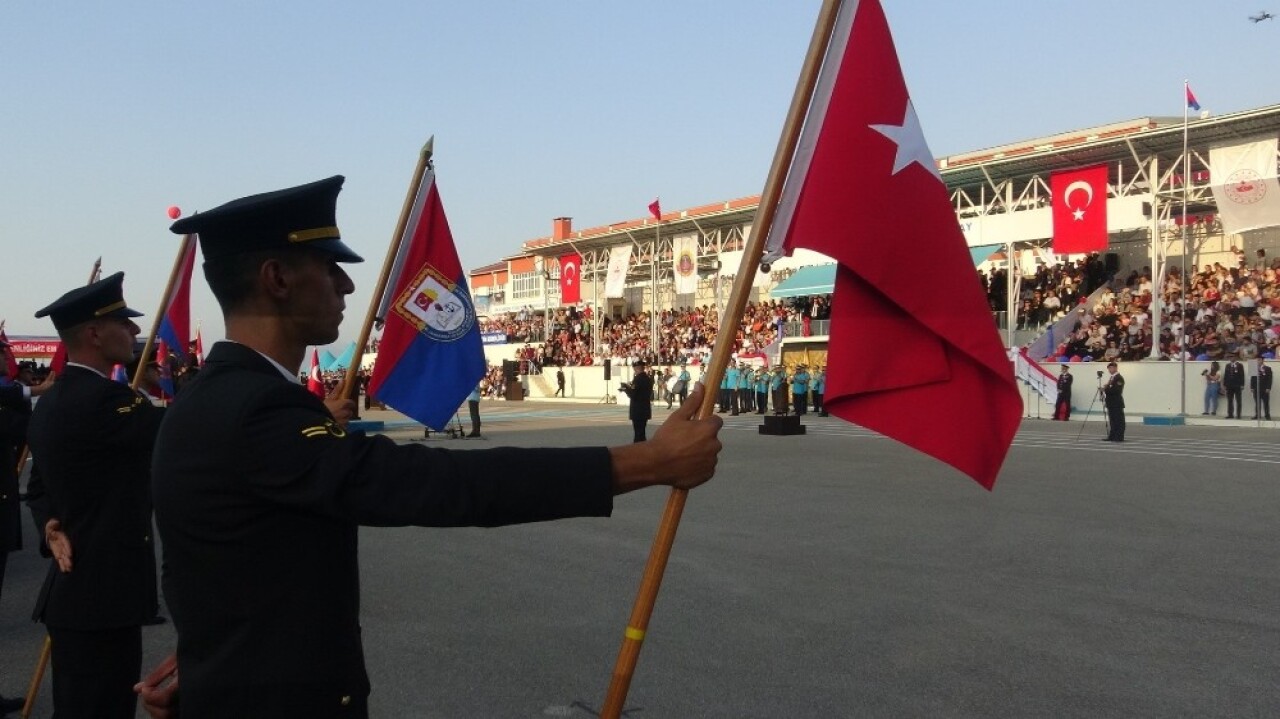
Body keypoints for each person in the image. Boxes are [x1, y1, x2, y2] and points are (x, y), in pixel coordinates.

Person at [142, 176, 722, 717]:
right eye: (329, 266)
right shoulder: (257, 410)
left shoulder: (209, 399)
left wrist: (212, 658)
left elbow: (214, 568)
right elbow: (436, 486)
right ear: (277, 278)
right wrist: (646, 461)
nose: (346, 285)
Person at [24, 273, 166, 719]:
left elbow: (39, 486)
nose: (135, 332)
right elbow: (193, 435)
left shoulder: (51, 401)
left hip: (77, 596)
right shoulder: (110, 403)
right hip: (103, 596)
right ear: (92, 333)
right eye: (123, 323)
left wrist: (50, 526)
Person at [620, 359, 655, 442]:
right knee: (642, 432)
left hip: (637, 409)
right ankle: (643, 450)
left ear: (637, 368)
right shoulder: (647, 378)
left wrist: (625, 389)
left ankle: (638, 451)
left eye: (635, 369)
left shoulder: (637, 379)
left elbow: (633, 394)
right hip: (645, 408)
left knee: (638, 434)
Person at [1101, 360, 1125, 442]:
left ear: (1115, 368)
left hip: (1116, 402)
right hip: (1111, 402)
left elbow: (1116, 390)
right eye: (1108, 368)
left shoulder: (1119, 378)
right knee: (1112, 420)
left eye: (1111, 368)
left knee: (1118, 420)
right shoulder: (1112, 378)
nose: (1109, 370)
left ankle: (1119, 436)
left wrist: (1105, 389)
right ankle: (1112, 435)